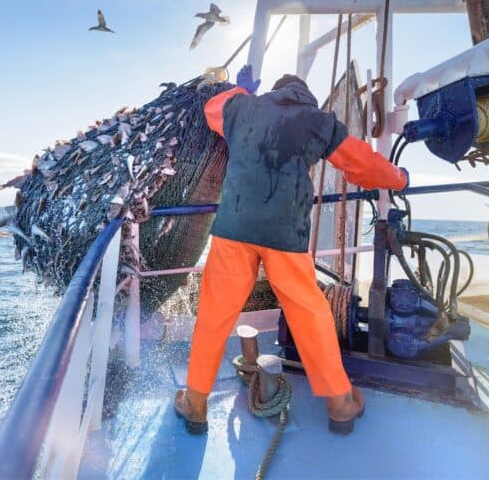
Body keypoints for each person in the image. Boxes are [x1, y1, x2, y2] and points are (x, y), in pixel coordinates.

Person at [174, 65, 409, 436]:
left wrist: (241, 91)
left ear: (273, 93)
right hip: (286, 234)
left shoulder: (242, 108)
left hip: (234, 229)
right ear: (306, 98)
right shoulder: (318, 121)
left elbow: (211, 108)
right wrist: (399, 178)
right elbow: (361, 164)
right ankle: (340, 403)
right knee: (310, 313)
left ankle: (197, 403)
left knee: (215, 315)